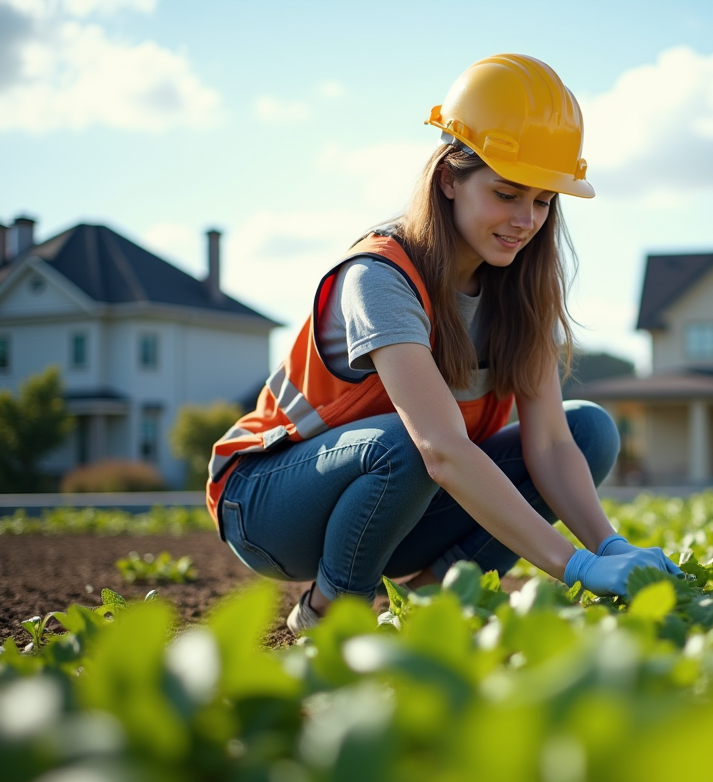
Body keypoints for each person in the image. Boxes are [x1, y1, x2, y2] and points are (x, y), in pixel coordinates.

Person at [204, 54, 681, 634]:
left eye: (542, 201)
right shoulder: (380, 277)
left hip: (399, 503)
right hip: (265, 504)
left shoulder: (521, 288)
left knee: (588, 431)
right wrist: (575, 567)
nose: (525, 220)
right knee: (409, 444)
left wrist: (610, 549)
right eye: (507, 194)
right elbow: (439, 448)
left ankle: (434, 595)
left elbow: (553, 446)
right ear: (450, 178)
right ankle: (330, 610)